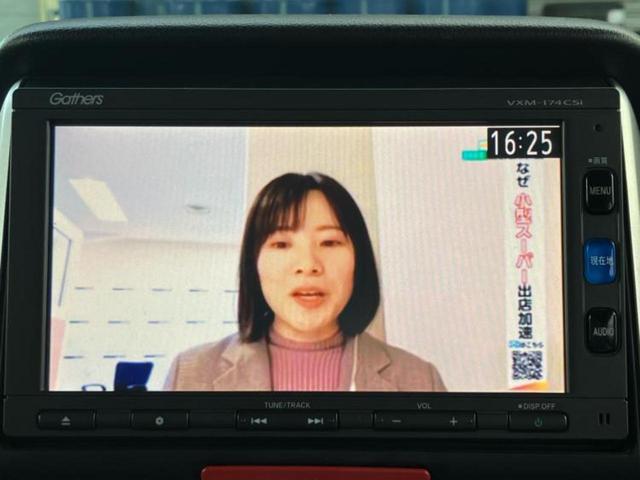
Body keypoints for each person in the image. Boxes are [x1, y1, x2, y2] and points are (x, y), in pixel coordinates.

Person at [164, 172, 445, 392]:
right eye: (282, 244)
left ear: (358, 260)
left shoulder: (421, 379)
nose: (308, 264)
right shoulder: (190, 373)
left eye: (329, 242)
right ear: (254, 264)